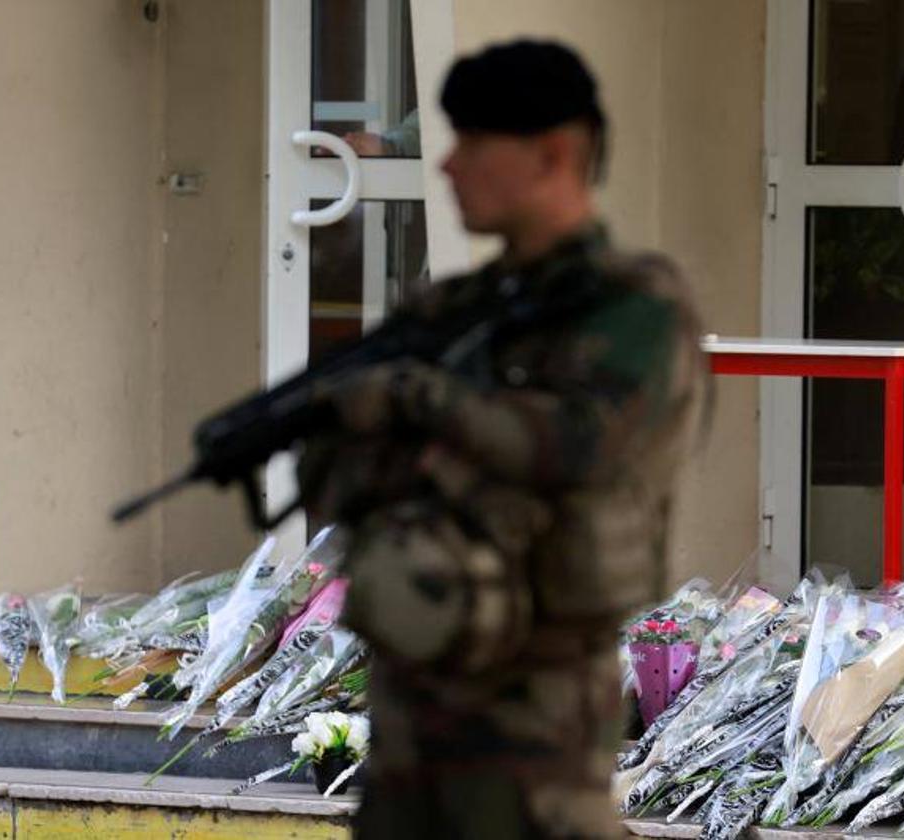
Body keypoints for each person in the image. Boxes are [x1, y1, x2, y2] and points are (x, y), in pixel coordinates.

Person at [297, 39, 707, 839]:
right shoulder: (457, 311)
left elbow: (581, 455)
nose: (446, 167)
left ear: (555, 153)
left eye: (474, 142)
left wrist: (423, 406)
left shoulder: (633, 310)